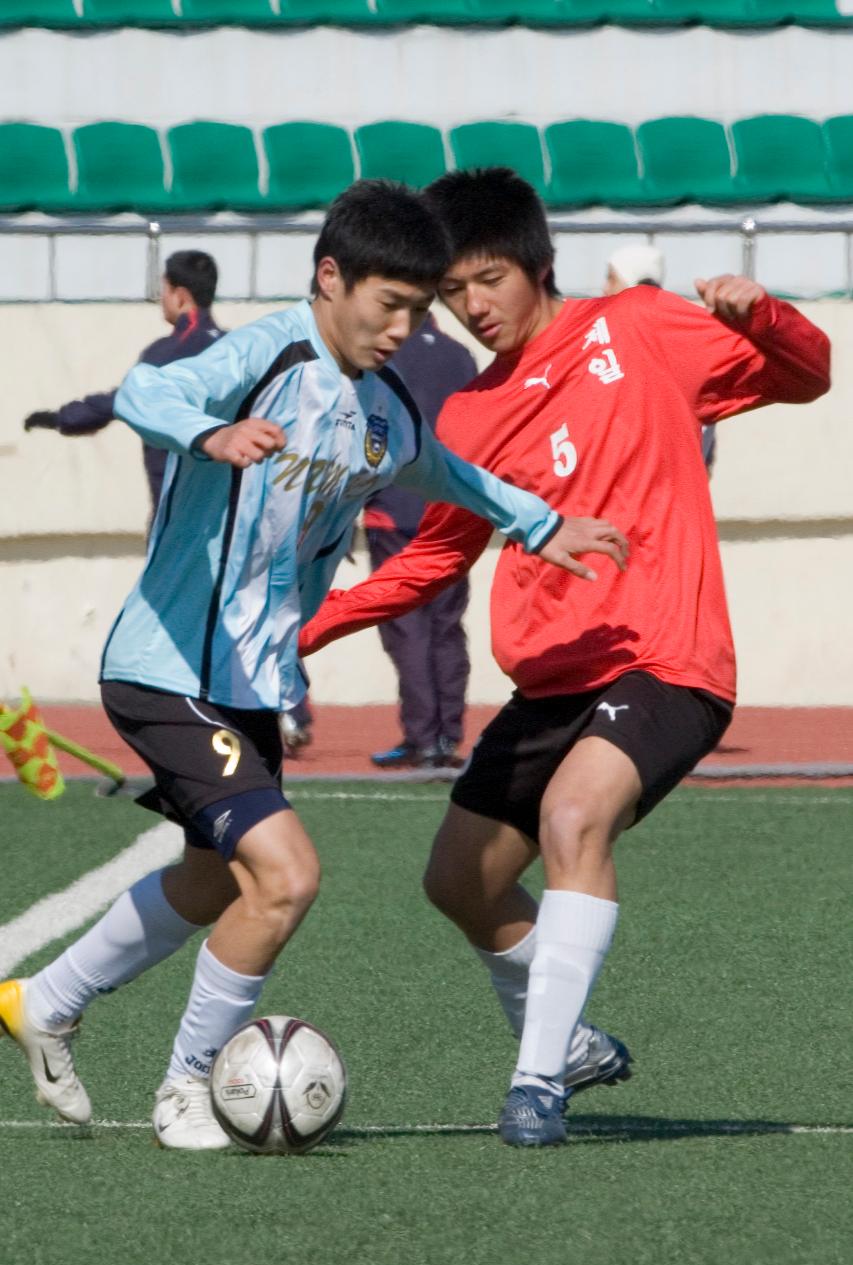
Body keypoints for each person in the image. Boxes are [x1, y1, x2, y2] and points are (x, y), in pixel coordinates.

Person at [0, 179, 628, 1152]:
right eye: (391, 304)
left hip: (246, 685)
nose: (404, 327)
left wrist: (539, 523)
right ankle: (186, 1092)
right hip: (166, 667)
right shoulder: (267, 353)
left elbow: (443, 470)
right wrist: (207, 433)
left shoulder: (378, 409)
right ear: (329, 277)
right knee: (287, 876)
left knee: (216, 881)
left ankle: (45, 999)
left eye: (419, 309)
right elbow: (144, 390)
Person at [299, 167, 831, 1147]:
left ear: (537, 263)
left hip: (666, 660)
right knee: (457, 878)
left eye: (487, 280)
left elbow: (808, 373)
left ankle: (536, 1078)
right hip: (550, 683)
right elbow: (432, 561)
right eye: (453, 291)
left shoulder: (638, 326)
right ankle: (574, 1040)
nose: (472, 307)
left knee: (572, 815)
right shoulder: (464, 416)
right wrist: (308, 627)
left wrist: (766, 318)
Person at [23, 250, 224, 511]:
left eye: (164, 289)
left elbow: (119, 402)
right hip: (230, 508)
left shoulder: (166, 354)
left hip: (178, 510)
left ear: (181, 296)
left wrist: (60, 418)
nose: (161, 299)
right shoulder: (236, 348)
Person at [366, 312, 478, 768]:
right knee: (446, 625)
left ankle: (421, 736)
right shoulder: (461, 355)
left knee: (406, 627)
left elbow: (367, 431)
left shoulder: (384, 355)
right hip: (452, 508)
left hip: (395, 509)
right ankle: (446, 737)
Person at [604, 242, 717, 472]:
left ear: (630, 282)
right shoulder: (678, 332)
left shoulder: (641, 343)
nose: (605, 289)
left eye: (612, 279)